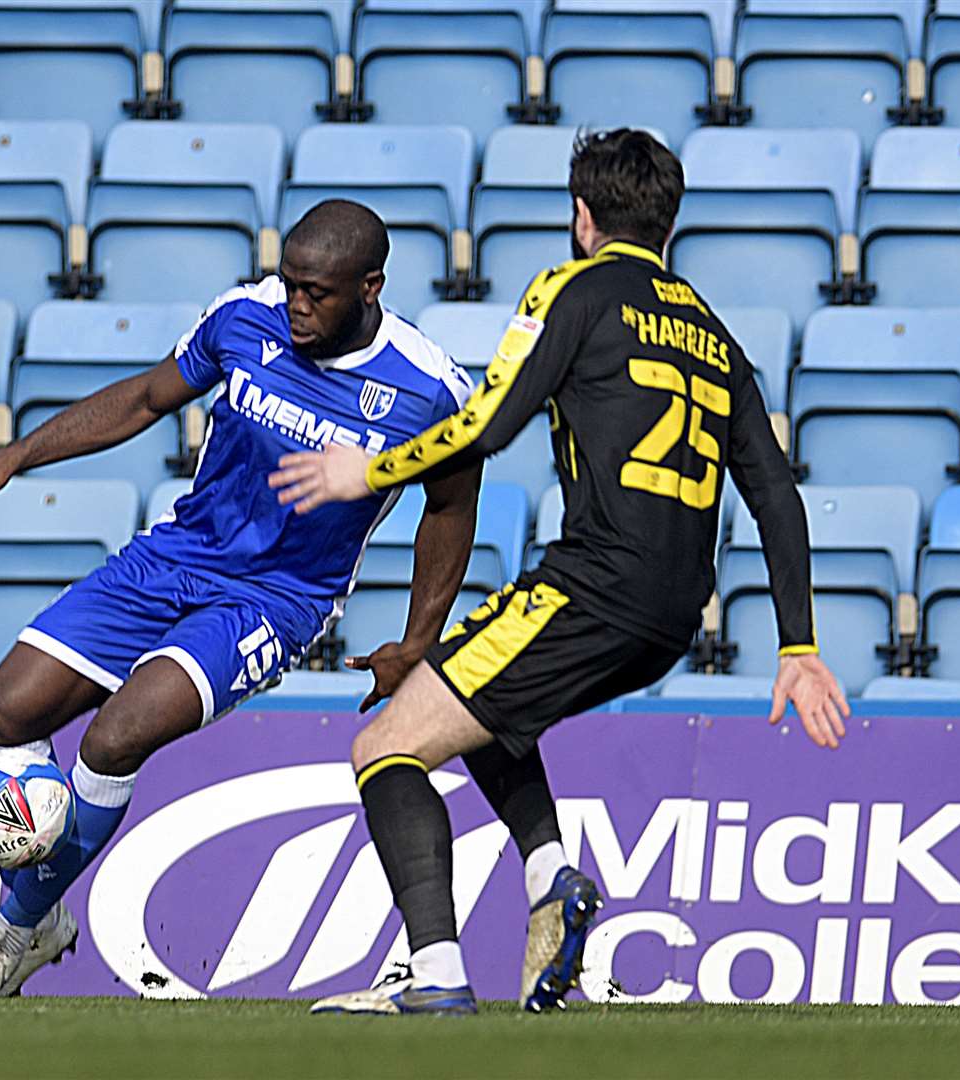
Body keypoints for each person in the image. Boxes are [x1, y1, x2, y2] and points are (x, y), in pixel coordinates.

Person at [269, 129, 852, 1016]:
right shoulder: (712, 332)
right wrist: (797, 643)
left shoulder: (572, 290)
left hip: (592, 584)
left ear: (582, 217)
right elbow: (775, 490)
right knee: (483, 712)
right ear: (666, 223)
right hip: (671, 616)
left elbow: (487, 424)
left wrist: (369, 468)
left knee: (383, 748)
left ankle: (433, 979)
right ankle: (551, 881)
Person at [0, 199, 484, 999]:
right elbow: (145, 399)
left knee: (114, 739)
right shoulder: (244, 319)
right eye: (290, 285)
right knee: (3, 713)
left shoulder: (425, 389)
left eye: (317, 291)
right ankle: (39, 891)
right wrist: (13, 457)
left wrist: (417, 642)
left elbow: (449, 509)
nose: (297, 304)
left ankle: (12, 930)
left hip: (275, 601)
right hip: (174, 556)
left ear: (371, 288)